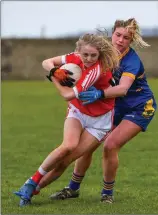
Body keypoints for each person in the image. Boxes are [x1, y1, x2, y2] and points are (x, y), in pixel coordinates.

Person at [30, 17, 157, 204]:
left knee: (110, 145)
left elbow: (122, 89)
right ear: (112, 33)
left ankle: (107, 193)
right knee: (86, 148)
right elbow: (77, 60)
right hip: (114, 105)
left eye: (127, 38)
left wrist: (99, 93)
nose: (121, 40)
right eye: (118, 35)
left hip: (139, 106)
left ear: (131, 41)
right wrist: (60, 72)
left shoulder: (131, 61)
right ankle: (72, 189)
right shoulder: (99, 51)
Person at [13, 33, 119, 207]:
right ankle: (31, 183)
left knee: (65, 161)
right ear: (79, 51)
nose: (89, 59)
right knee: (68, 145)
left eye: (94, 55)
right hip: (78, 111)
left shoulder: (95, 70)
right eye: (85, 54)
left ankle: (32, 190)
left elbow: (67, 94)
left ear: (99, 55)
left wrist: (54, 78)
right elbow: (46, 62)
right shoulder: (75, 57)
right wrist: (55, 70)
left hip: (99, 122)